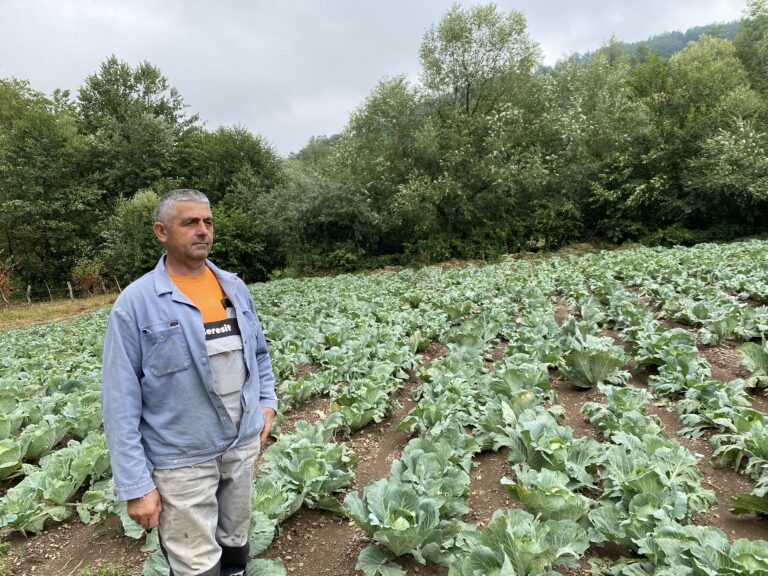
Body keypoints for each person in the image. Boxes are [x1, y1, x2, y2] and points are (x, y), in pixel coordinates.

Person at [101, 188, 278, 576]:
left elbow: (260, 356)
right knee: (196, 563)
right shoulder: (136, 303)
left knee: (235, 543)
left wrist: (267, 403)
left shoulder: (233, 287)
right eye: (190, 222)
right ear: (161, 231)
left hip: (240, 447)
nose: (202, 230)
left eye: (208, 222)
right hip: (180, 459)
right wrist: (135, 485)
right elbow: (119, 401)